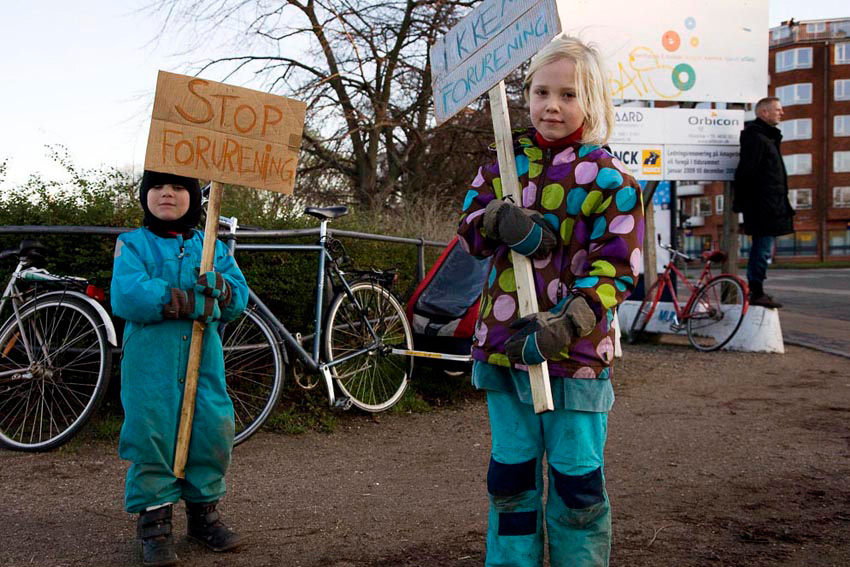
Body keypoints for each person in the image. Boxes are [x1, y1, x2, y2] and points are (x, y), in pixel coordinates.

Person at [457, 35, 644, 567]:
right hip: (506, 349)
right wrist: (494, 218)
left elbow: (618, 270)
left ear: (593, 102)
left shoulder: (612, 181)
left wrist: (568, 325)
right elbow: (469, 231)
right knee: (510, 480)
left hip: (576, 360)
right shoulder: (503, 165)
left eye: (568, 94)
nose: (552, 105)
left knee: (576, 485)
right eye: (541, 91)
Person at [111, 170, 249, 566]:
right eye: (157, 187)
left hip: (204, 361)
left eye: (177, 187)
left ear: (193, 197)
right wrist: (187, 301)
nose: (166, 194)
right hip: (150, 364)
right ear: (145, 196)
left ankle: (204, 516)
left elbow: (238, 297)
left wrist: (221, 288)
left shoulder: (213, 248)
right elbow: (128, 294)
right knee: (151, 432)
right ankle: (154, 525)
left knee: (211, 429)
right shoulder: (132, 244)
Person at [733, 96, 795, 309]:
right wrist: (744, 202)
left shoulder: (768, 138)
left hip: (769, 204)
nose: (782, 113)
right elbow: (745, 173)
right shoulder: (757, 139)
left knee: (764, 248)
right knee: (762, 248)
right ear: (764, 113)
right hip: (762, 206)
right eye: (778, 109)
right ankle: (756, 291)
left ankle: (757, 290)